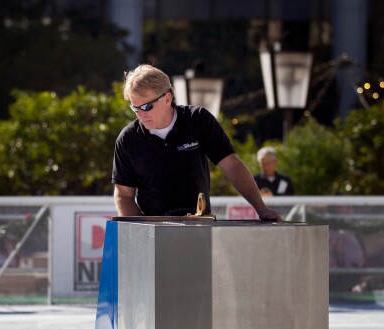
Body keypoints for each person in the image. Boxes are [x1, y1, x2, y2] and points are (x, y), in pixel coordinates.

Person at [112, 64, 281, 222]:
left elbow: (232, 165)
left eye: (147, 107)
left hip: (199, 225)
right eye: (135, 108)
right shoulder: (128, 139)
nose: (141, 114)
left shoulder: (198, 120)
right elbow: (124, 194)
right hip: (154, 229)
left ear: (167, 98)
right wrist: (140, 231)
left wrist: (261, 209)